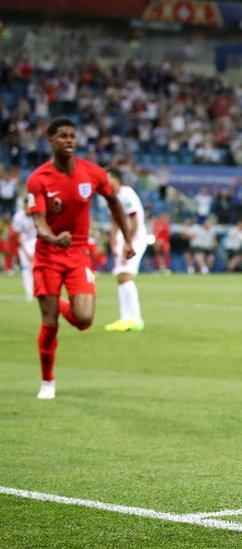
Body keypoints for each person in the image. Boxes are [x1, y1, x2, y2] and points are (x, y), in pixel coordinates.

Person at [25, 117, 134, 399]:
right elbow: (38, 221)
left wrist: (128, 239)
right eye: (62, 136)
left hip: (78, 254)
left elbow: (114, 203)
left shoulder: (92, 172)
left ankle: (57, 302)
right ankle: (47, 382)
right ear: (50, 140)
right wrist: (51, 237)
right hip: (48, 254)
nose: (69, 140)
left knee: (84, 319)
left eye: (73, 135)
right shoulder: (38, 179)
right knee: (49, 324)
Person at [104, 170, 148, 332]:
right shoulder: (112, 198)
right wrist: (113, 239)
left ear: (117, 180)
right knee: (121, 276)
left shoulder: (126, 194)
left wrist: (128, 243)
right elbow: (115, 220)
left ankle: (135, 319)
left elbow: (134, 219)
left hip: (134, 237)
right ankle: (126, 318)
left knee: (125, 275)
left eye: (109, 180)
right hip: (124, 238)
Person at [11, 196, 37, 301]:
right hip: (25, 243)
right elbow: (19, 237)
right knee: (27, 269)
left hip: (36, 240)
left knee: (38, 269)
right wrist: (27, 253)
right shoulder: (18, 217)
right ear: (24, 206)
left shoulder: (37, 214)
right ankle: (29, 294)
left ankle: (39, 292)